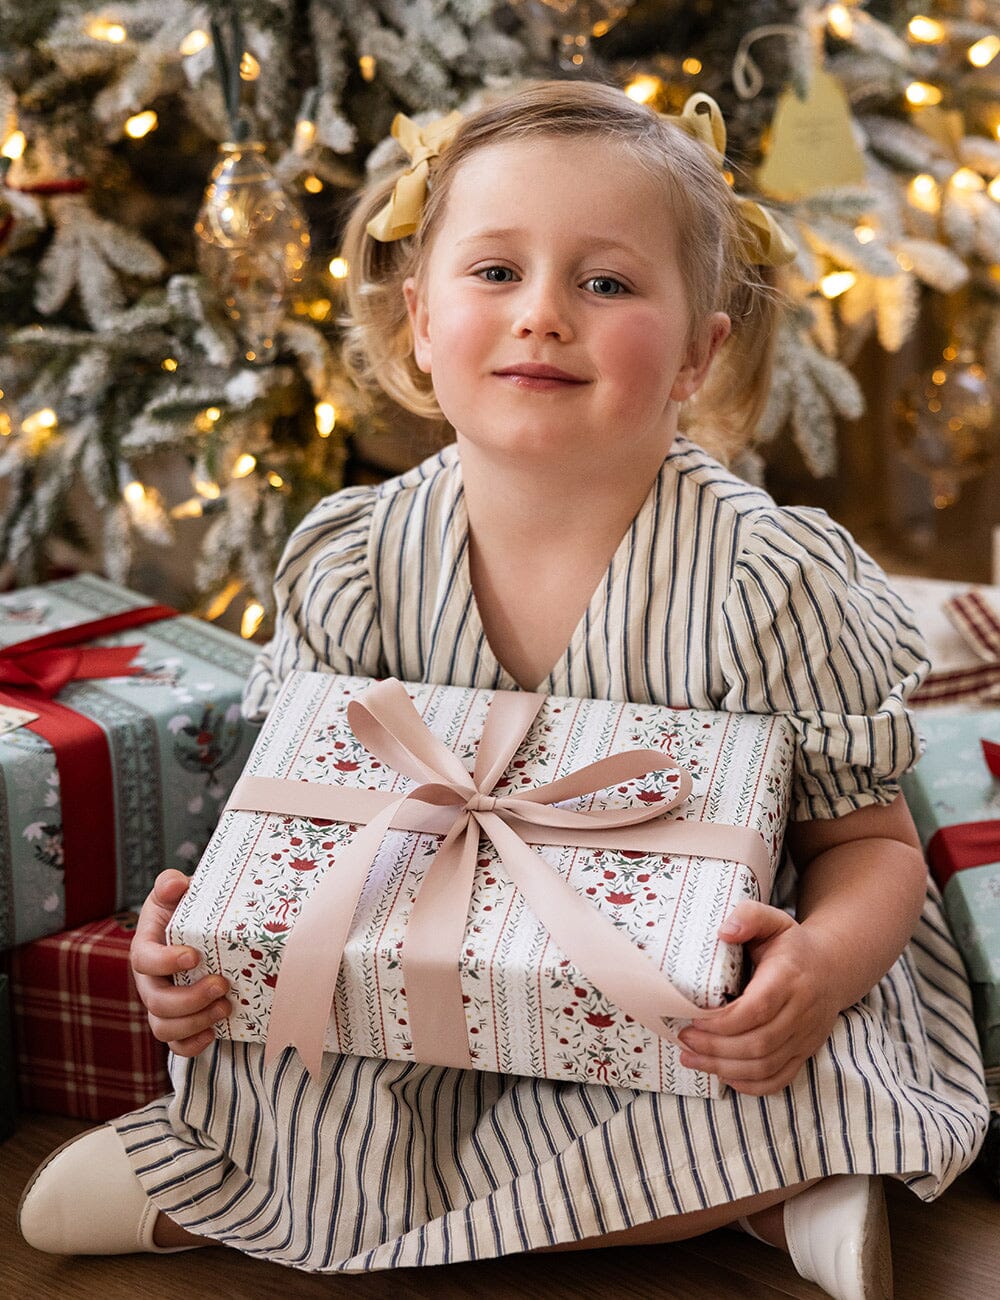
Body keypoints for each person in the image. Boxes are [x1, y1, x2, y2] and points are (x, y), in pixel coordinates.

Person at [19, 81, 988, 1300]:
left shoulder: (769, 579)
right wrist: (205, 939)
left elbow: (868, 843)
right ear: (419, 320)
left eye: (607, 283)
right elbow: (304, 817)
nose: (543, 315)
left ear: (699, 350)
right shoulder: (357, 557)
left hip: (700, 993)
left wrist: (818, 970)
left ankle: (263, 1193)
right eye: (493, 272)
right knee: (293, 1048)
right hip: (422, 976)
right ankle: (721, 1201)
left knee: (796, 1067)